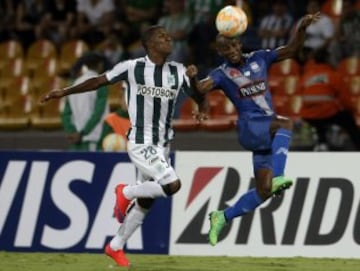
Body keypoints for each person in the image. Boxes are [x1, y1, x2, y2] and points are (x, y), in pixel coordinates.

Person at [40, 25, 206, 267]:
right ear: (149, 44)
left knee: (146, 201)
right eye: (162, 36)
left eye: (169, 35)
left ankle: (115, 246)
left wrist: (194, 80)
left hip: (163, 143)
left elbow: (199, 96)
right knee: (172, 184)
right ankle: (125, 192)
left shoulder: (178, 71)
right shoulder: (131, 67)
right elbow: (97, 82)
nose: (168, 38)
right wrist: (63, 92)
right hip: (141, 140)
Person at [189, 12, 321, 246]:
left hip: (265, 131)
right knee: (286, 123)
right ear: (220, 52)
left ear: (239, 43)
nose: (230, 51)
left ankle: (222, 216)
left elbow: (291, 50)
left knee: (264, 190)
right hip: (250, 127)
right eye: (224, 49)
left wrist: (301, 27)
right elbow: (200, 89)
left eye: (232, 45)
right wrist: (192, 80)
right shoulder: (221, 74)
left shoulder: (261, 58)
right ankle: (280, 176)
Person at [300, 47, 360, 151]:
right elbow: (344, 99)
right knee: (347, 120)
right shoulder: (333, 75)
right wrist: (351, 110)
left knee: (318, 118)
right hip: (326, 112)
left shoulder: (306, 76)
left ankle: (322, 142)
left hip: (307, 114)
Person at [61, 52, 110, 151]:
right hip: (93, 141)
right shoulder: (100, 84)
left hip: (76, 143)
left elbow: (65, 113)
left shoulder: (73, 84)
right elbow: (98, 113)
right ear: (100, 64)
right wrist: (83, 133)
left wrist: (72, 132)